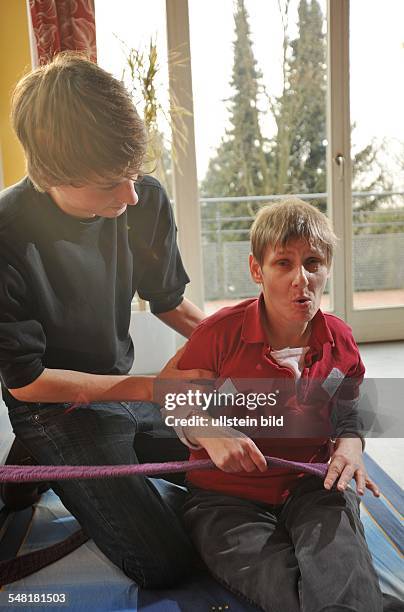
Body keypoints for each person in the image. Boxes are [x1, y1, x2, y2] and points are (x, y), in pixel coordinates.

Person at [0, 52, 211, 588]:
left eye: (133, 174)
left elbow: (168, 301)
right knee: (166, 565)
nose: (131, 195)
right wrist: (153, 388)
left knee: (268, 435)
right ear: (48, 174)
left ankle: (89, 458)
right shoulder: (6, 235)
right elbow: (25, 384)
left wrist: (244, 339)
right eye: (108, 185)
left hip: (125, 390)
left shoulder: (141, 199)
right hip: (53, 406)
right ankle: (47, 452)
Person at [176, 199, 401, 611]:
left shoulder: (340, 339)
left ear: (327, 268)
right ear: (256, 270)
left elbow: (349, 411)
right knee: (285, 587)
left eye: (314, 262)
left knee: (338, 563)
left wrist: (350, 445)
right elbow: (177, 403)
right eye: (284, 263)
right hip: (224, 498)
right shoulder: (218, 334)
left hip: (313, 483)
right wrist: (209, 431)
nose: (302, 279)